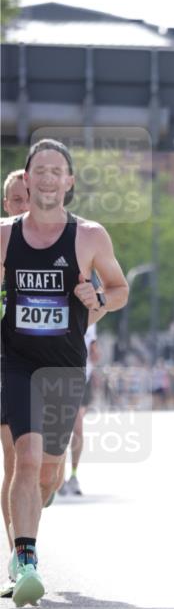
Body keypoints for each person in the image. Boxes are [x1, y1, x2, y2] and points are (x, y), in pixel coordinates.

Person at [0, 138, 128, 607]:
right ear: (27, 178)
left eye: (58, 171)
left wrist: (99, 300)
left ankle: (39, 503)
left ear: (69, 182)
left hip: (63, 363)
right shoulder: (5, 234)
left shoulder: (90, 236)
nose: (49, 178)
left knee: (49, 472)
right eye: (41, 170)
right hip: (15, 360)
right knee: (26, 459)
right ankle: (26, 558)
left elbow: (119, 290)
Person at [1, 171, 31, 556]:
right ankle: (16, 554)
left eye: (26, 197)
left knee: (42, 471)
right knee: (14, 459)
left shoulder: (63, 241)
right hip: (6, 363)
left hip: (49, 363)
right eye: (13, 199)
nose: (20, 205)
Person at [58, 321, 100, 496]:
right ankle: (58, 477)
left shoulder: (93, 316)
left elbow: (94, 350)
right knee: (60, 431)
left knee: (77, 430)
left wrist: (95, 356)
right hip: (58, 378)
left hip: (82, 379)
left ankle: (73, 475)